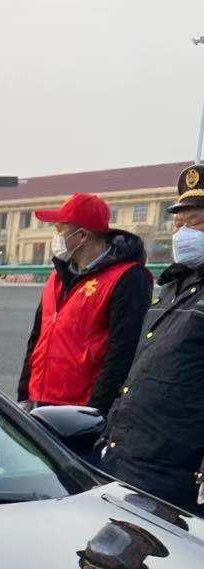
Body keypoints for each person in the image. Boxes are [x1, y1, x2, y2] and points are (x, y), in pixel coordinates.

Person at [98, 166, 204, 508]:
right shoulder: (173, 287)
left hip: (176, 473)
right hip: (129, 459)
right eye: (178, 223)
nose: (182, 233)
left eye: (195, 222)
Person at [17, 192, 152, 412]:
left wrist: (95, 411)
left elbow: (122, 352)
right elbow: (37, 337)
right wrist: (24, 393)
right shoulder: (57, 277)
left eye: (59, 230)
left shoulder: (127, 278)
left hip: (81, 408)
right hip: (40, 400)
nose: (55, 237)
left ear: (81, 236)